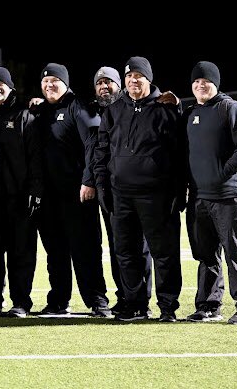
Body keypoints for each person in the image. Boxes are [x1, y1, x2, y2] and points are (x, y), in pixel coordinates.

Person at [95, 56, 185, 322]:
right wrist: (102, 186)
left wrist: (179, 190)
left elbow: (180, 153)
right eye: (129, 76)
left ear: (149, 78)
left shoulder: (166, 108)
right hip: (121, 194)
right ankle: (135, 305)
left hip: (156, 195)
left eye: (139, 76)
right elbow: (102, 150)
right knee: (125, 251)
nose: (134, 81)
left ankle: (167, 307)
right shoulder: (114, 109)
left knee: (163, 253)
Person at [184, 61, 237, 325]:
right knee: (206, 254)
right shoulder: (192, 112)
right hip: (200, 197)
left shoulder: (231, 108)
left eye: (205, 81)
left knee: (236, 251)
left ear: (215, 83)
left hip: (229, 195)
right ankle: (208, 305)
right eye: (196, 82)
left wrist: (223, 173)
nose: (200, 85)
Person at [33, 63, 110, 317]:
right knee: (55, 252)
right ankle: (58, 301)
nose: (49, 85)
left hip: (77, 195)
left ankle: (97, 300)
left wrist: (88, 181)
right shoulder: (41, 111)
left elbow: (92, 145)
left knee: (85, 249)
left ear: (65, 83)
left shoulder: (79, 107)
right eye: (45, 82)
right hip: (49, 197)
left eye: (55, 81)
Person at [0, 67, 42, 317]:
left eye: (1, 84)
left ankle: (21, 302)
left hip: (19, 198)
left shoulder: (24, 116)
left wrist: (35, 189)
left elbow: (35, 156)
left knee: (21, 252)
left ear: (10, 88)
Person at [91, 66, 153, 315]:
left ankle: (144, 302)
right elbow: (98, 152)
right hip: (113, 190)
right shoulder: (91, 110)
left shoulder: (146, 108)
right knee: (121, 248)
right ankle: (127, 298)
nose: (105, 87)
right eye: (100, 83)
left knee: (144, 249)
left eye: (110, 82)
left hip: (145, 192)